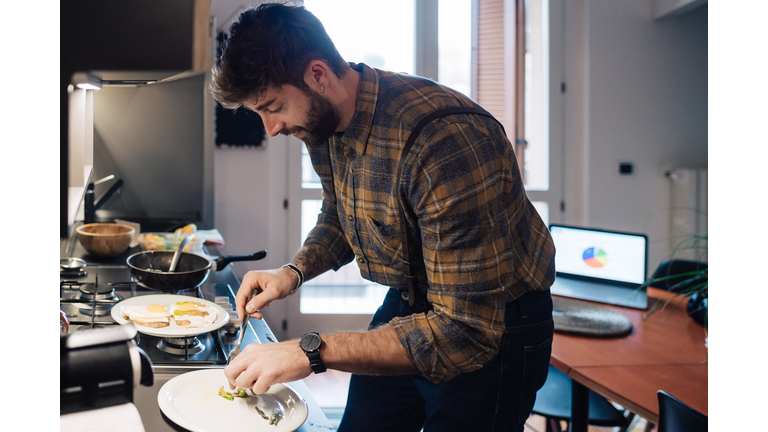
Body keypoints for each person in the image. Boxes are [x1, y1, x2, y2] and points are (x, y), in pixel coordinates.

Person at [211, 3, 556, 431]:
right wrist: (292, 272)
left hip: (492, 328)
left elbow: (463, 331)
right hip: (412, 303)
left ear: (318, 75)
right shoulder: (323, 120)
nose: (271, 128)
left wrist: (310, 350)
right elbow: (340, 214)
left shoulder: (443, 142)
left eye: (274, 106)